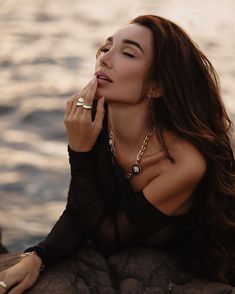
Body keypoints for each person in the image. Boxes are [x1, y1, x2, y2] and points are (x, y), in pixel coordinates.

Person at [0, 14, 235, 293]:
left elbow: (110, 237)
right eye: (106, 48)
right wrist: (37, 257)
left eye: (128, 53)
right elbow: (79, 211)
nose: (105, 59)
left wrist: (80, 152)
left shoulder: (184, 162)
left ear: (155, 86)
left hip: (209, 269)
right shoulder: (100, 118)